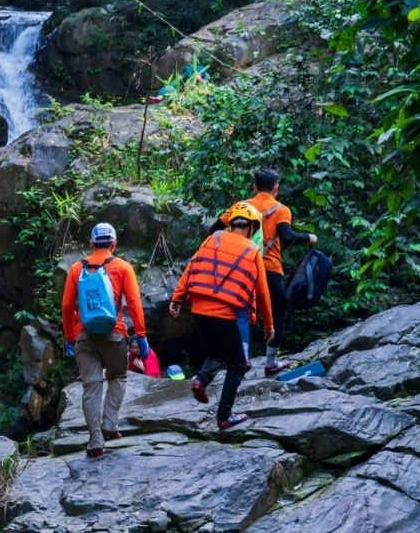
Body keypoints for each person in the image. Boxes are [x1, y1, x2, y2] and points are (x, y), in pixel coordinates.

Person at [171, 202, 274, 430]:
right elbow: (262, 291)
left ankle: (200, 379)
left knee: (218, 352)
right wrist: (269, 324)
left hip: (198, 312)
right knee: (238, 365)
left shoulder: (212, 239)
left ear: (231, 225)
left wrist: (176, 299)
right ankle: (224, 416)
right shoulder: (253, 251)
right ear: (251, 228)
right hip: (224, 314)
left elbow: (191, 268)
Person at [214, 168, 317, 375]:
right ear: (276, 189)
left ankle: (242, 358)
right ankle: (270, 362)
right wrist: (309, 238)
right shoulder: (281, 209)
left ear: (254, 187)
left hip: (241, 269)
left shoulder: (241, 207)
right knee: (277, 314)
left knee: (240, 313)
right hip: (270, 268)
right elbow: (287, 237)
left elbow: (214, 230)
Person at [61, 222, 149, 458]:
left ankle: (95, 442)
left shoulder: (75, 269)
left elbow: (68, 306)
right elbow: (133, 302)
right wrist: (141, 334)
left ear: (91, 244)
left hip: (84, 335)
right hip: (115, 333)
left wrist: (70, 338)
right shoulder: (122, 267)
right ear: (114, 244)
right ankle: (110, 423)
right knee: (118, 376)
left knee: (91, 386)